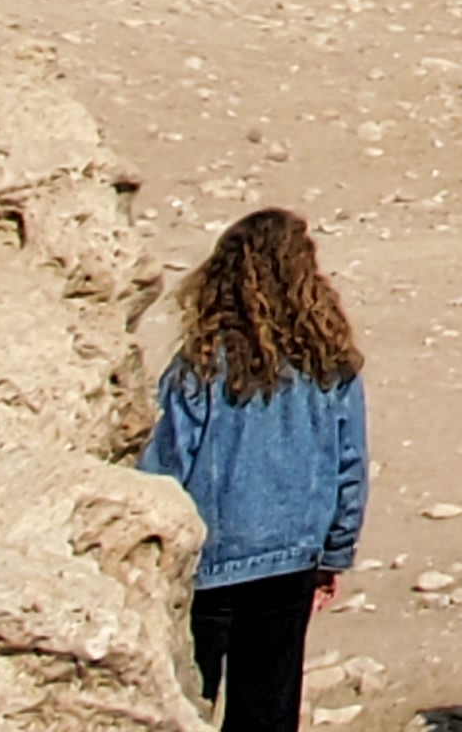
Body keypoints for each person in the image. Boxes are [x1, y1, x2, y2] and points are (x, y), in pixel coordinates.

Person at [137, 206, 371, 732]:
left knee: (184, 704)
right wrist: (334, 552)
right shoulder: (331, 365)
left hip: (206, 560)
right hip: (290, 561)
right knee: (267, 710)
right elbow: (349, 467)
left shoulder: (198, 365)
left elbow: (164, 466)